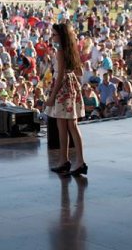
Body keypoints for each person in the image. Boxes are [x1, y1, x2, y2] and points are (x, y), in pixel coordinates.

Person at [45, 23, 87, 176]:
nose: (52, 36)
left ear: (61, 36)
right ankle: (67, 160)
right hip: (69, 87)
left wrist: (52, 96)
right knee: (66, 125)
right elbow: (79, 71)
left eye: (54, 34)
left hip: (62, 88)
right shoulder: (70, 50)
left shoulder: (60, 51)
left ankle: (75, 161)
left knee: (68, 125)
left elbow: (61, 74)